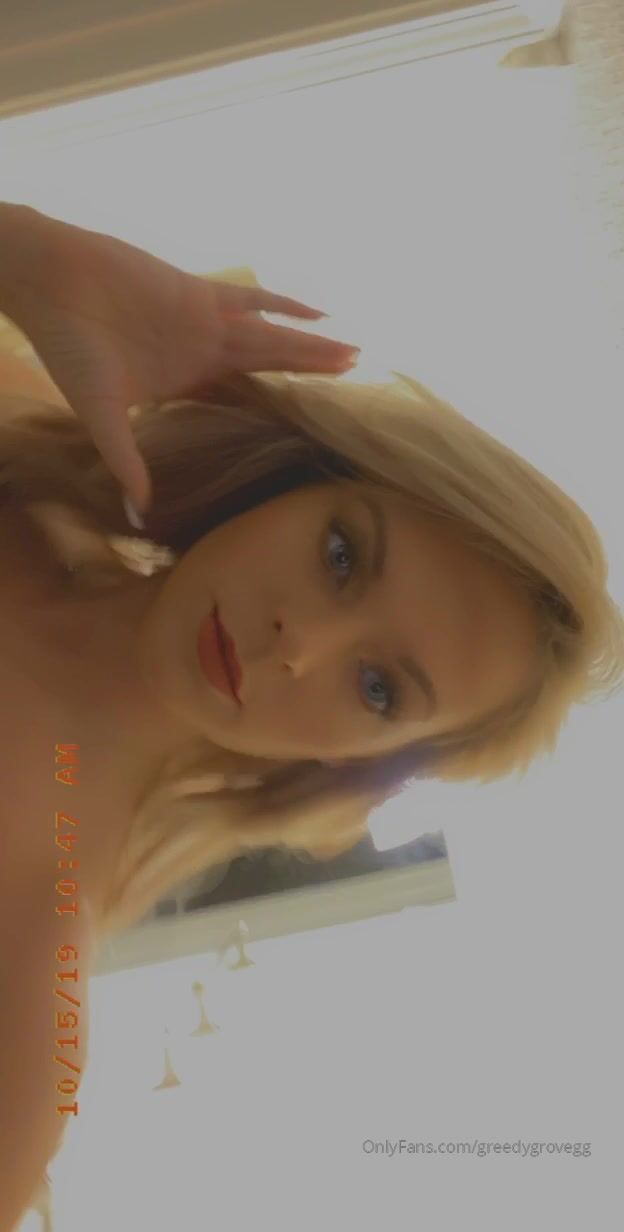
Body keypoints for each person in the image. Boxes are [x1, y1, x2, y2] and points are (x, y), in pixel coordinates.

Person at [0, 201, 622, 1228]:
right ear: (291, 483)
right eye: (342, 556)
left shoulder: (30, 972)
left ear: (358, 762)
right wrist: (28, 258)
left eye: (379, 689)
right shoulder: (18, 419)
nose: (298, 646)